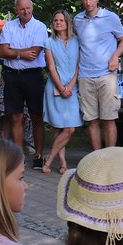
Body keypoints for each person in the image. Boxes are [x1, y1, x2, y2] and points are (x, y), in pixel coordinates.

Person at [73, 0, 123, 152]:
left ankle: (110, 156)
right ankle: (97, 156)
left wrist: (114, 56)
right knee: (91, 120)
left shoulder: (110, 17)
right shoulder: (77, 20)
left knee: (109, 118)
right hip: (85, 75)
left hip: (106, 75)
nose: (88, 2)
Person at [0, 0, 48, 166]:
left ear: (32, 7)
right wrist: (20, 54)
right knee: (15, 117)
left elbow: (34, 53)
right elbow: (2, 51)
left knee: (36, 116)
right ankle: (19, 158)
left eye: (28, 8)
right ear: (16, 10)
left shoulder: (39, 27)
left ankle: (39, 155)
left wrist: (15, 51)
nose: (26, 12)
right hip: (12, 75)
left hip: (33, 75)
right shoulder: (9, 26)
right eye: (22, 9)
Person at [42, 10, 81, 176]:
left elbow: (79, 65)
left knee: (70, 128)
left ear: (68, 23)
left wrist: (70, 87)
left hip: (72, 88)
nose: (58, 23)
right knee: (58, 127)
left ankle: (49, 159)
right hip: (55, 88)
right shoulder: (49, 42)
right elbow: (51, 67)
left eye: (61, 20)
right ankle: (63, 163)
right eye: (56, 20)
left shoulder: (77, 41)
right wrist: (61, 87)